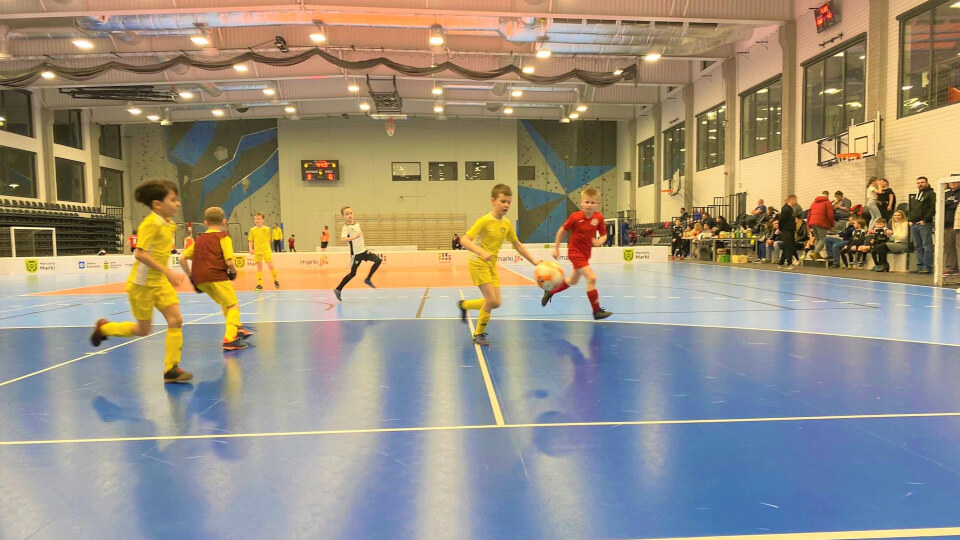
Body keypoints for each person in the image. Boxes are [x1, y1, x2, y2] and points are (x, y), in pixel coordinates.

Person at [89, 179, 192, 383]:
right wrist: (168, 271)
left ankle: (171, 369)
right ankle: (105, 328)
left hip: (160, 283)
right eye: (173, 199)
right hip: (141, 286)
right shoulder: (150, 224)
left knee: (176, 320)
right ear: (157, 204)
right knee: (143, 330)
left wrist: (165, 274)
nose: (178, 203)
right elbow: (140, 254)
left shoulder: (169, 224)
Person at [457, 184, 541, 346]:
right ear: (493, 201)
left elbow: (517, 245)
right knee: (490, 300)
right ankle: (478, 334)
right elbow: (464, 240)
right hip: (478, 264)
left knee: (496, 302)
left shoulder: (507, 224)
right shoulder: (484, 221)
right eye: (503, 201)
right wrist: (481, 252)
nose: (506, 205)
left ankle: (465, 305)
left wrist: (535, 262)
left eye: (509, 202)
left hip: (491, 265)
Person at [179, 207, 253, 350]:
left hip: (200, 280)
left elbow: (182, 258)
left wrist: (191, 277)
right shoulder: (223, 237)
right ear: (224, 222)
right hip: (216, 276)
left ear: (205, 223)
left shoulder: (199, 240)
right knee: (233, 305)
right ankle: (230, 339)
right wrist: (233, 272)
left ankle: (236, 327)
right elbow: (229, 261)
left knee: (226, 302)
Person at [540, 187, 612, 320]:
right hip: (574, 252)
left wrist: (599, 241)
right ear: (581, 203)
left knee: (572, 280)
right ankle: (596, 311)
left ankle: (550, 291)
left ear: (597, 204)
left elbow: (604, 235)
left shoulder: (598, 218)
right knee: (591, 278)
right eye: (587, 202)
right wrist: (556, 248)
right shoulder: (575, 217)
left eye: (592, 202)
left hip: (585, 254)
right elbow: (562, 230)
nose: (589, 205)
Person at [334, 206, 381, 301]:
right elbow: (343, 239)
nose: (349, 215)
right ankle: (338, 289)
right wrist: (355, 237)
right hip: (356, 254)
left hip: (363, 251)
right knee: (352, 274)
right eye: (347, 214)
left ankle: (367, 279)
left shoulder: (357, 225)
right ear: (343, 216)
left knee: (378, 260)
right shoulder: (346, 228)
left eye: (351, 213)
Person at [908, 176, 936, 274]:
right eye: (918, 183)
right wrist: (910, 220)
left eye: (922, 182)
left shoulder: (931, 194)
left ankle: (927, 267)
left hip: (925, 224)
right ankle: (920, 266)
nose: (920, 184)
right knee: (917, 246)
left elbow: (933, 208)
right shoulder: (916, 195)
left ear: (927, 183)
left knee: (927, 245)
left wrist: (925, 219)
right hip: (914, 224)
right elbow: (911, 208)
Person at [249, 212, 280, 290]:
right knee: (259, 267)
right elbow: (251, 240)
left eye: (259, 219)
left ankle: (275, 280)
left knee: (270, 265)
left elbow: (269, 240)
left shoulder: (267, 229)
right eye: (255, 219)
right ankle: (259, 284)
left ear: (263, 220)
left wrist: (267, 248)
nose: (257, 220)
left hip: (266, 250)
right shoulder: (252, 230)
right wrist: (250, 248)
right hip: (257, 251)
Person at [807, 191, 835, 260]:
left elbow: (809, 214)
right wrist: (832, 224)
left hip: (812, 222)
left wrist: (808, 224)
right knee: (822, 238)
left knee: (817, 238)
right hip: (821, 222)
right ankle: (815, 252)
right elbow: (830, 215)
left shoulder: (814, 203)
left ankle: (815, 253)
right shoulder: (827, 202)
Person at [942, 181, 960, 276]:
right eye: (951, 182)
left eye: (955, 182)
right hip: (947, 224)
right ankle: (951, 267)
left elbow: (953, 206)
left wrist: (949, 205)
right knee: (948, 247)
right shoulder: (945, 194)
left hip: (957, 224)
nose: (953, 183)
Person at [778, 195, 798, 269]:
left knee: (787, 246)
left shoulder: (790, 209)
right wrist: (780, 229)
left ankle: (781, 263)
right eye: (795, 200)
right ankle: (789, 263)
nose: (796, 201)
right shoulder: (786, 209)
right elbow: (781, 220)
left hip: (790, 230)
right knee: (788, 247)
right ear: (791, 200)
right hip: (786, 230)